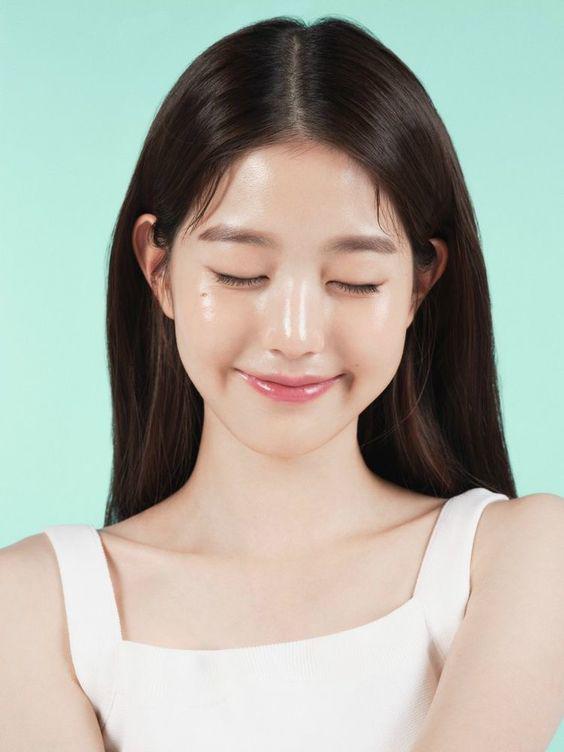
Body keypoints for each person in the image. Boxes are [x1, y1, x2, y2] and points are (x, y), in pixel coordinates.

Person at [1, 15, 563, 752]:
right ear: (158, 269)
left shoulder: (517, 556)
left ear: (419, 286)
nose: (294, 335)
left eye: (355, 281)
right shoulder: (35, 604)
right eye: (241, 274)